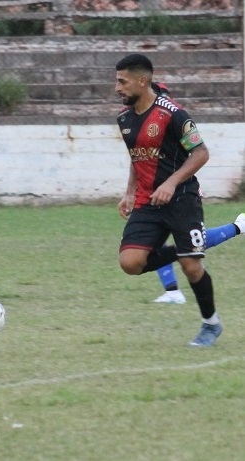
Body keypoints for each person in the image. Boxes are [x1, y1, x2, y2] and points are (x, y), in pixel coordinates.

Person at [115, 53, 222, 347]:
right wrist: (129, 191)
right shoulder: (124, 118)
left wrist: (171, 183)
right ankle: (186, 250)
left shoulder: (173, 114)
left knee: (192, 268)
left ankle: (211, 324)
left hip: (182, 198)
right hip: (147, 201)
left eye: (122, 82)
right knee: (130, 262)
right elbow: (138, 155)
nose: (117, 88)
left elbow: (201, 153)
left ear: (142, 81)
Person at [148, 83, 245, 304]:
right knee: (153, 242)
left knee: (192, 243)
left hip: (182, 191)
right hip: (157, 191)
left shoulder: (176, 120)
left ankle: (238, 227)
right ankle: (172, 291)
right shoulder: (146, 124)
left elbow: (199, 153)